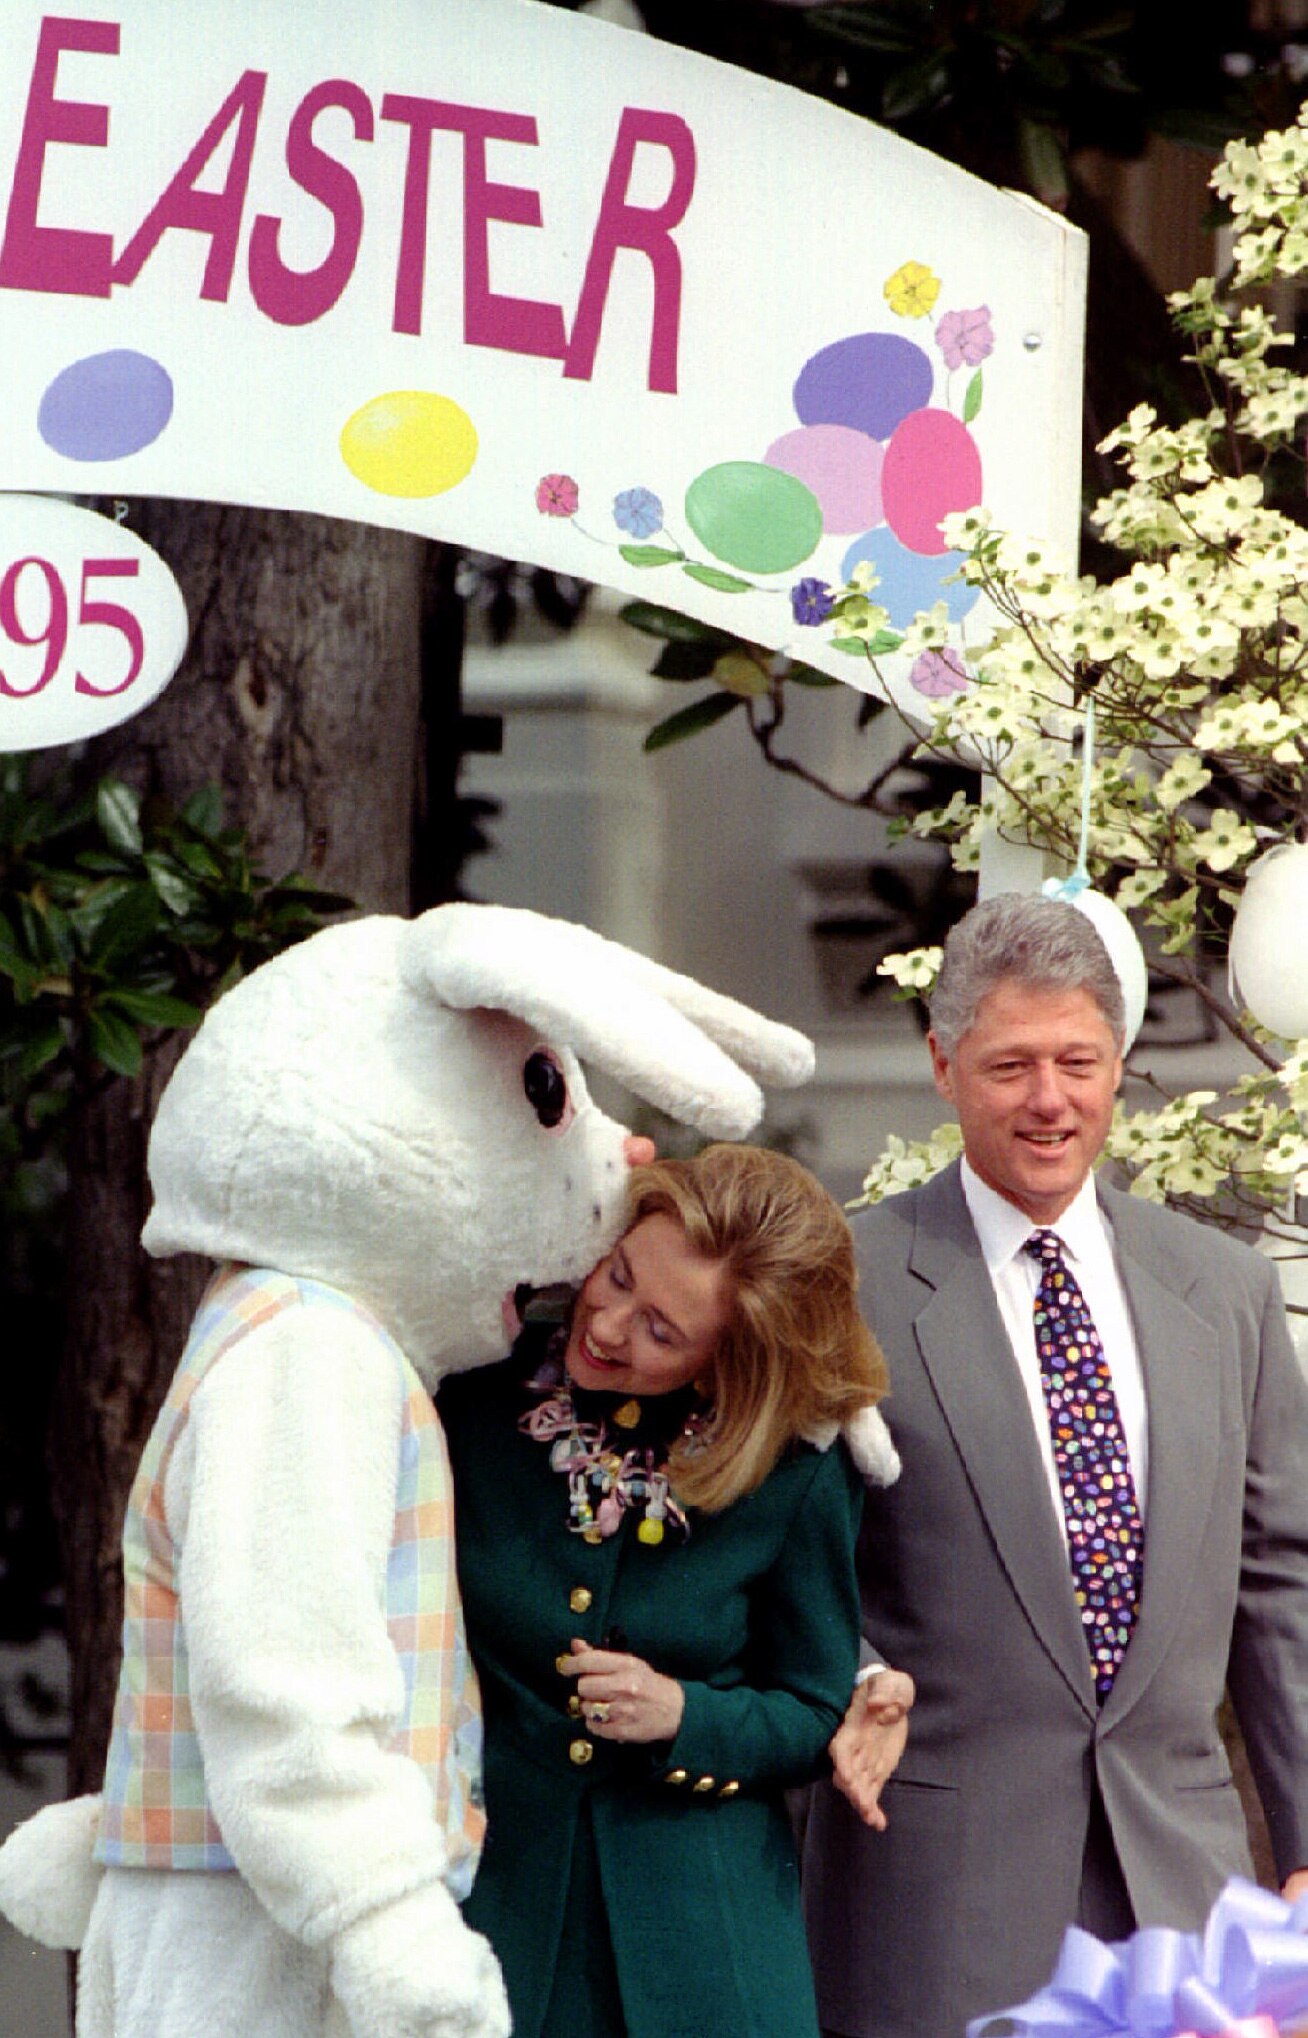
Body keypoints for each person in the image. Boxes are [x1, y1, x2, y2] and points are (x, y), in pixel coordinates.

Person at [801, 890, 1308, 2038]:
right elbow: (785, 1558)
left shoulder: (1223, 1290)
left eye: (1080, 1060)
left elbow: (1284, 1587)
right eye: (1010, 1065)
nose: (1049, 1101)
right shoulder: (846, 1282)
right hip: (935, 1895)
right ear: (942, 1064)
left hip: (1183, 1902)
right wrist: (854, 1677)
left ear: (1119, 1064)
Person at [437, 1141, 897, 2038]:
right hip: (495, 1915)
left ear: (735, 1360)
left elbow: (811, 1707)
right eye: (616, 1279)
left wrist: (684, 1716)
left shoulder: (794, 1466)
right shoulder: (472, 1385)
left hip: (707, 1946)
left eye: (662, 1332)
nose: (607, 1326)